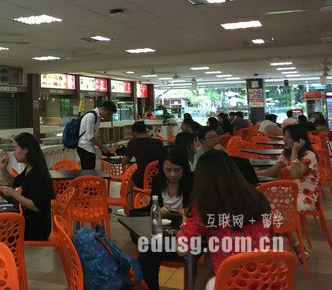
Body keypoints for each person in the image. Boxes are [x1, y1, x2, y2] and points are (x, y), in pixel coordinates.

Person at [177, 150, 273, 290]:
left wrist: (185, 221)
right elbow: (270, 231)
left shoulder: (205, 205)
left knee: (209, 267)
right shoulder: (257, 197)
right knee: (209, 260)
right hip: (267, 277)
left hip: (234, 281)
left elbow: (182, 248)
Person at [136, 146, 193, 290]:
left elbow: (198, 210)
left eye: (177, 170)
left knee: (147, 255)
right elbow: (153, 206)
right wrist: (158, 210)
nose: (172, 174)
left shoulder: (192, 180)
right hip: (164, 233)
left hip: (186, 236)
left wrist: (186, 212)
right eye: (168, 170)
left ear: (184, 167)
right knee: (147, 255)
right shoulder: (158, 180)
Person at [0, 133, 55, 240]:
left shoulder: (37, 173)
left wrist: (13, 193)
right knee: (3, 234)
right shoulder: (29, 168)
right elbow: (14, 183)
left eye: (15, 149)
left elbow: (36, 206)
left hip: (38, 229)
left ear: (25, 150)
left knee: (3, 239)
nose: (13, 153)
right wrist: (3, 169)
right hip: (28, 222)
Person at [257, 124, 319, 211]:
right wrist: (251, 174)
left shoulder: (309, 155)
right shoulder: (286, 154)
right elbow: (271, 171)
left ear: (299, 140)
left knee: (271, 203)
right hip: (290, 190)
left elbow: (295, 174)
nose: (284, 139)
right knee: (258, 193)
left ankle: (277, 219)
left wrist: (294, 152)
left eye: (289, 137)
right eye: (284, 135)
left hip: (305, 196)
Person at [76, 100, 117, 170]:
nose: (108, 116)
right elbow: (90, 136)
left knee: (89, 170)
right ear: (103, 109)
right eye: (108, 114)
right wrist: (102, 148)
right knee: (89, 172)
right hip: (85, 147)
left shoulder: (97, 117)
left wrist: (101, 148)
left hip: (88, 147)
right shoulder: (91, 116)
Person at [121, 121, 164, 187]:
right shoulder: (158, 142)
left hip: (142, 180)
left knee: (130, 176)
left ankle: (132, 192)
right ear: (145, 130)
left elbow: (124, 162)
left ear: (134, 132)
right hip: (158, 179)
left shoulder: (133, 143)